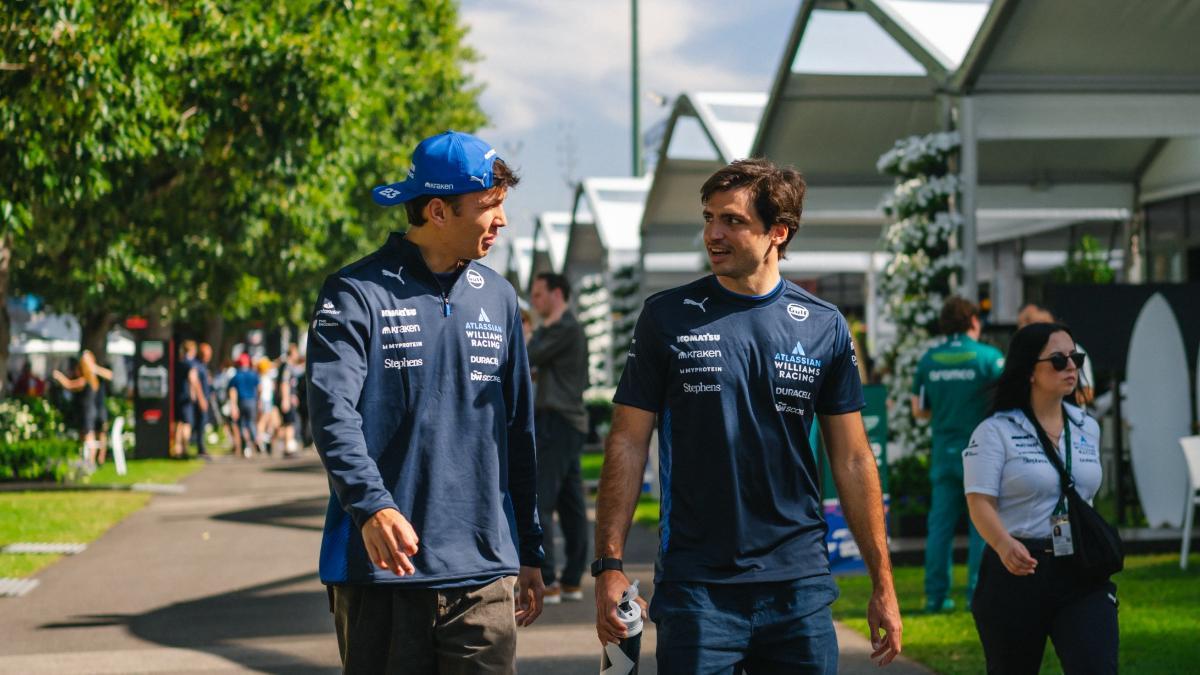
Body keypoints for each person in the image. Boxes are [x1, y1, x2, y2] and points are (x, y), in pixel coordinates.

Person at [594, 158, 902, 672]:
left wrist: (883, 583)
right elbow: (627, 441)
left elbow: (852, 458)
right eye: (708, 218)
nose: (712, 234)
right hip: (697, 586)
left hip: (799, 585)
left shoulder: (824, 326)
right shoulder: (665, 317)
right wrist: (609, 565)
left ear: (778, 231)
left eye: (732, 221)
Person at [306, 130, 544, 672]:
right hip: (383, 569)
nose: (502, 221)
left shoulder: (500, 297)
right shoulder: (355, 292)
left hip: (484, 572)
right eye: (489, 206)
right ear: (438, 211)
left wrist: (530, 548)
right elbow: (332, 412)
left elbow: (518, 431)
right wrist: (372, 506)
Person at [964, 322, 1115, 674]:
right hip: (1018, 568)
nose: (1071, 367)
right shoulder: (995, 431)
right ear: (1030, 370)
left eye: (1076, 358)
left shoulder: (1087, 427)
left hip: (1081, 567)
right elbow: (979, 501)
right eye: (1059, 360)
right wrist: (1003, 544)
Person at [910, 297, 1004, 612]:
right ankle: (978, 593)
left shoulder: (929, 360)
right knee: (983, 525)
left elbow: (919, 410)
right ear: (974, 321)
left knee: (940, 527)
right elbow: (1004, 403)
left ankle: (936, 597)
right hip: (980, 453)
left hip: (944, 452)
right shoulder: (989, 358)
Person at [526, 272, 590, 604]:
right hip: (568, 422)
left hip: (556, 422)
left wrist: (539, 329)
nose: (534, 301)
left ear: (557, 294)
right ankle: (571, 582)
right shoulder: (569, 329)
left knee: (541, 500)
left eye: (538, 294)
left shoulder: (564, 328)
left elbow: (528, 355)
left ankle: (548, 579)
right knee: (570, 502)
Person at [1017, 303, 1094, 406]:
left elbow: (1087, 393)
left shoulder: (1072, 349)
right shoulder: (1018, 353)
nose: (1071, 366)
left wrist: (1056, 404)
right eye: (1022, 323)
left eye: (1057, 360)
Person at [51, 350, 113, 466]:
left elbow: (69, 385)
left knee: (89, 439)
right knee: (95, 437)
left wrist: (59, 376)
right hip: (94, 411)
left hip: (88, 412)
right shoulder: (93, 379)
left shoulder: (88, 379)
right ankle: (96, 461)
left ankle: (91, 462)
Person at [173, 340, 205, 459]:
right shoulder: (191, 364)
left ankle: (177, 448)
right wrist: (198, 397)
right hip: (187, 397)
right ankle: (185, 448)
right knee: (187, 424)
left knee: (179, 423)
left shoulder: (179, 362)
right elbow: (193, 379)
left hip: (178, 396)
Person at [227, 353, 262, 458]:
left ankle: (245, 446)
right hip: (252, 401)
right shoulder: (253, 374)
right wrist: (258, 400)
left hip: (241, 401)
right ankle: (256, 440)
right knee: (251, 422)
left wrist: (233, 405)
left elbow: (232, 391)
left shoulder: (236, 376)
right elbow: (259, 388)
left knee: (241, 425)